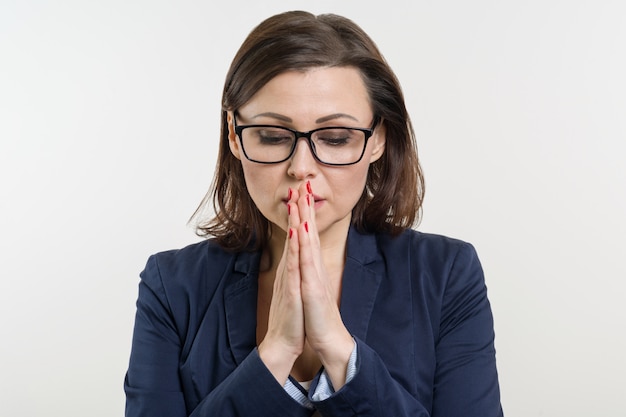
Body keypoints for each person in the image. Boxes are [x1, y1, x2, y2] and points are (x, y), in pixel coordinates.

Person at [124, 10, 503, 417]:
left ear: (378, 140)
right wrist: (274, 355)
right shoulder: (171, 286)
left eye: (336, 138)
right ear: (234, 135)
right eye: (272, 136)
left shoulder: (446, 275)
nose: (301, 167)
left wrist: (341, 354)